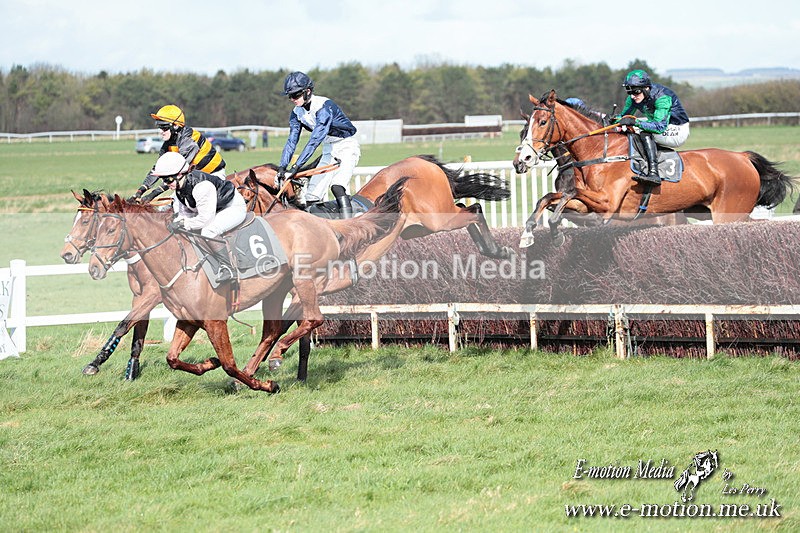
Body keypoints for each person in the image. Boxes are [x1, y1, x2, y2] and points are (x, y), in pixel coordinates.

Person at [149, 152, 246, 283]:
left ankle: (228, 268)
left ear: (180, 175)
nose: (166, 184)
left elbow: (205, 220)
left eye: (168, 180)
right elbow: (184, 214)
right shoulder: (179, 190)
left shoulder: (202, 187)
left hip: (232, 207)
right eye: (164, 180)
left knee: (208, 231)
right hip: (213, 210)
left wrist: (184, 223)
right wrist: (178, 222)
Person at [277, 71, 361, 218]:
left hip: (346, 146)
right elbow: (292, 140)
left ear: (308, 91)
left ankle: (349, 225)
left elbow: (315, 140)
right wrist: (282, 167)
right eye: (290, 96)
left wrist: (296, 167)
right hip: (329, 149)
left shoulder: (324, 107)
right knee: (312, 196)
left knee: (337, 186)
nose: (292, 99)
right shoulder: (296, 113)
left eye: (296, 95)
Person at [130, 104, 227, 202]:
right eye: (159, 127)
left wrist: (153, 194)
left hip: (213, 177)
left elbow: (177, 173)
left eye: (164, 128)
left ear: (176, 126)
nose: (161, 131)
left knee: (175, 205)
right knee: (167, 207)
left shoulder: (188, 140)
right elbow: (158, 169)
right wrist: (139, 192)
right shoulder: (169, 142)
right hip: (194, 179)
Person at [610, 70, 690, 185]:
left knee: (644, 132)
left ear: (646, 88)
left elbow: (659, 127)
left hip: (677, 129)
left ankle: (654, 173)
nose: (632, 96)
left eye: (636, 92)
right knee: (628, 130)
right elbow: (624, 117)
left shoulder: (662, 98)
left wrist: (635, 122)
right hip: (659, 126)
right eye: (629, 92)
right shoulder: (633, 98)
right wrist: (613, 119)